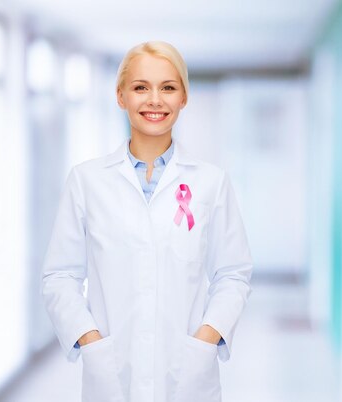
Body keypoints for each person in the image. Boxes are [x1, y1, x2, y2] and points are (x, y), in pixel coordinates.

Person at [41, 41, 253, 402]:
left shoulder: (211, 182)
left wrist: (207, 337)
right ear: (121, 96)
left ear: (183, 97)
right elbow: (60, 275)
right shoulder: (87, 181)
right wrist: (89, 340)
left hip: (188, 375)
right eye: (141, 87)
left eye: (168, 88)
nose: (155, 100)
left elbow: (233, 273)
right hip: (110, 372)